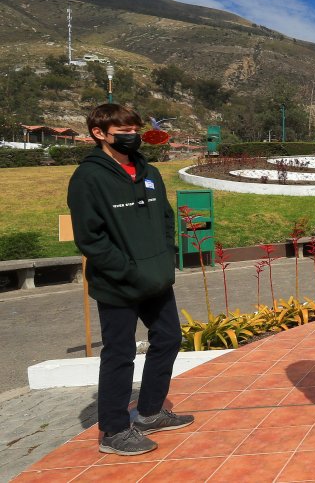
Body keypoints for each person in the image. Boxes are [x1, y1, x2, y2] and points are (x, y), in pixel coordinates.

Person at [67, 104, 194, 456]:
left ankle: (150, 412)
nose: (132, 135)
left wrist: (165, 257)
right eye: (123, 130)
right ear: (99, 133)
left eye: (134, 128)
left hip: (156, 279)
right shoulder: (88, 178)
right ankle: (113, 430)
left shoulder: (149, 171)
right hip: (118, 283)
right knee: (120, 354)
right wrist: (127, 269)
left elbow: (166, 217)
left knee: (168, 339)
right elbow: (90, 238)